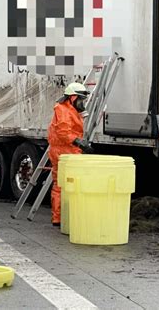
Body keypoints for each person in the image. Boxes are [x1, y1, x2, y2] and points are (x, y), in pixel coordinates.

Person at [47, 82, 93, 226]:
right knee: (61, 185)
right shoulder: (63, 110)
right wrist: (78, 142)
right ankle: (58, 217)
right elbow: (63, 132)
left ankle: (65, 215)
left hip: (69, 151)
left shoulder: (70, 110)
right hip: (63, 152)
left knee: (70, 185)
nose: (82, 103)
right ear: (73, 98)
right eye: (81, 99)